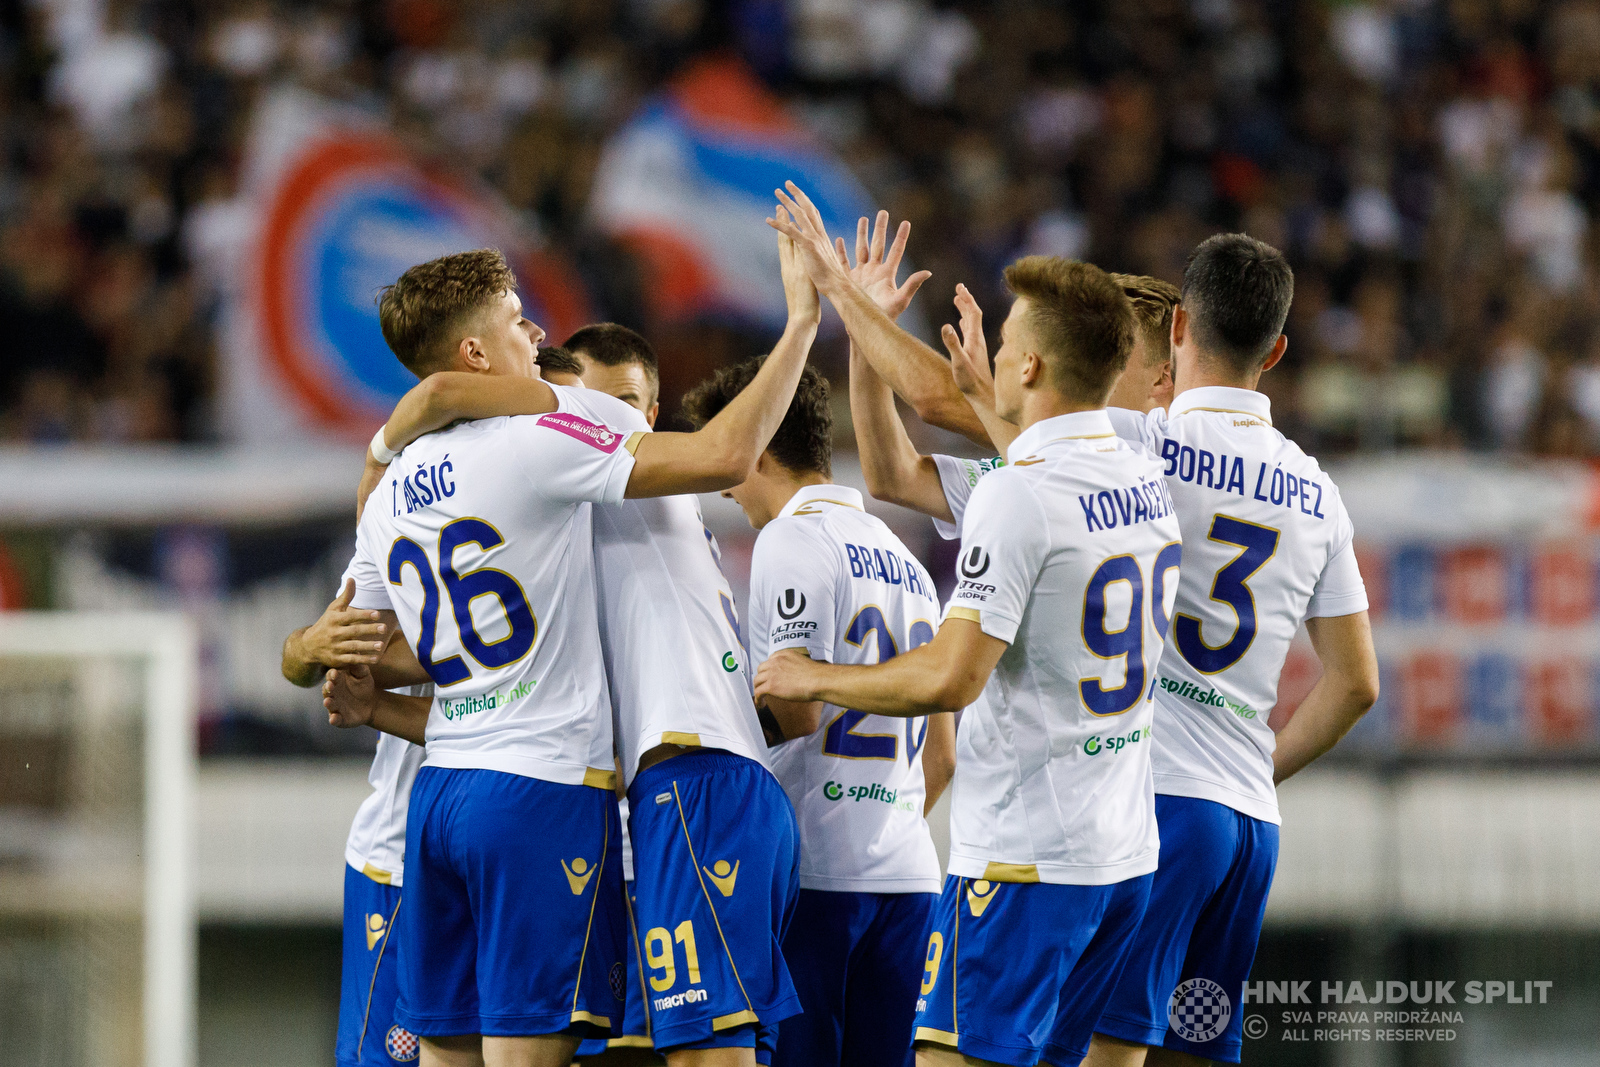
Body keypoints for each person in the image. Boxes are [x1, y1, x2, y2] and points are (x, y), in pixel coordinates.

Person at [323, 232, 816, 1067]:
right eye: (519, 319)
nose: (535, 330)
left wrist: (390, 433)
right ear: (481, 352)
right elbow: (723, 454)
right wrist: (802, 319)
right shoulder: (548, 439)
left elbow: (379, 642)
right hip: (549, 789)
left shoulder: (398, 484)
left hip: (442, 790)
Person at [927, 234, 1381, 1067]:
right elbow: (1356, 684)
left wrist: (859, 315)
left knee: (1096, 1052)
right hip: (1250, 828)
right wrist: (1252, 762)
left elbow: (972, 412)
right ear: (1276, 350)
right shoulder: (1317, 488)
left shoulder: (1141, 442)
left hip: (1160, 808)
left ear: (1176, 328)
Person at [754, 231, 1181, 1067]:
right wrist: (869, 346)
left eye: (1006, 341)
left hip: (1024, 863)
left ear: (1028, 369)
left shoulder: (1021, 493)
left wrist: (814, 674)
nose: (984, 356)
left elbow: (952, 675)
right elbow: (891, 470)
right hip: (1121, 856)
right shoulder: (1136, 473)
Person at [681, 348, 954, 1067]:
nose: (723, 477)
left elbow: (796, 708)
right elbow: (944, 752)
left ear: (760, 442)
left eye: (729, 447)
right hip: (909, 876)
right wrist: (877, 819)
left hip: (817, 879)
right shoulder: (910, 563)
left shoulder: (791, 539)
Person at [281, 581, 430, 1067]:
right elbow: (302, 660)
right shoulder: (397, 527)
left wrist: (370, 693)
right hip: (400, 855)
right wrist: (309, 645)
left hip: (522, 835)